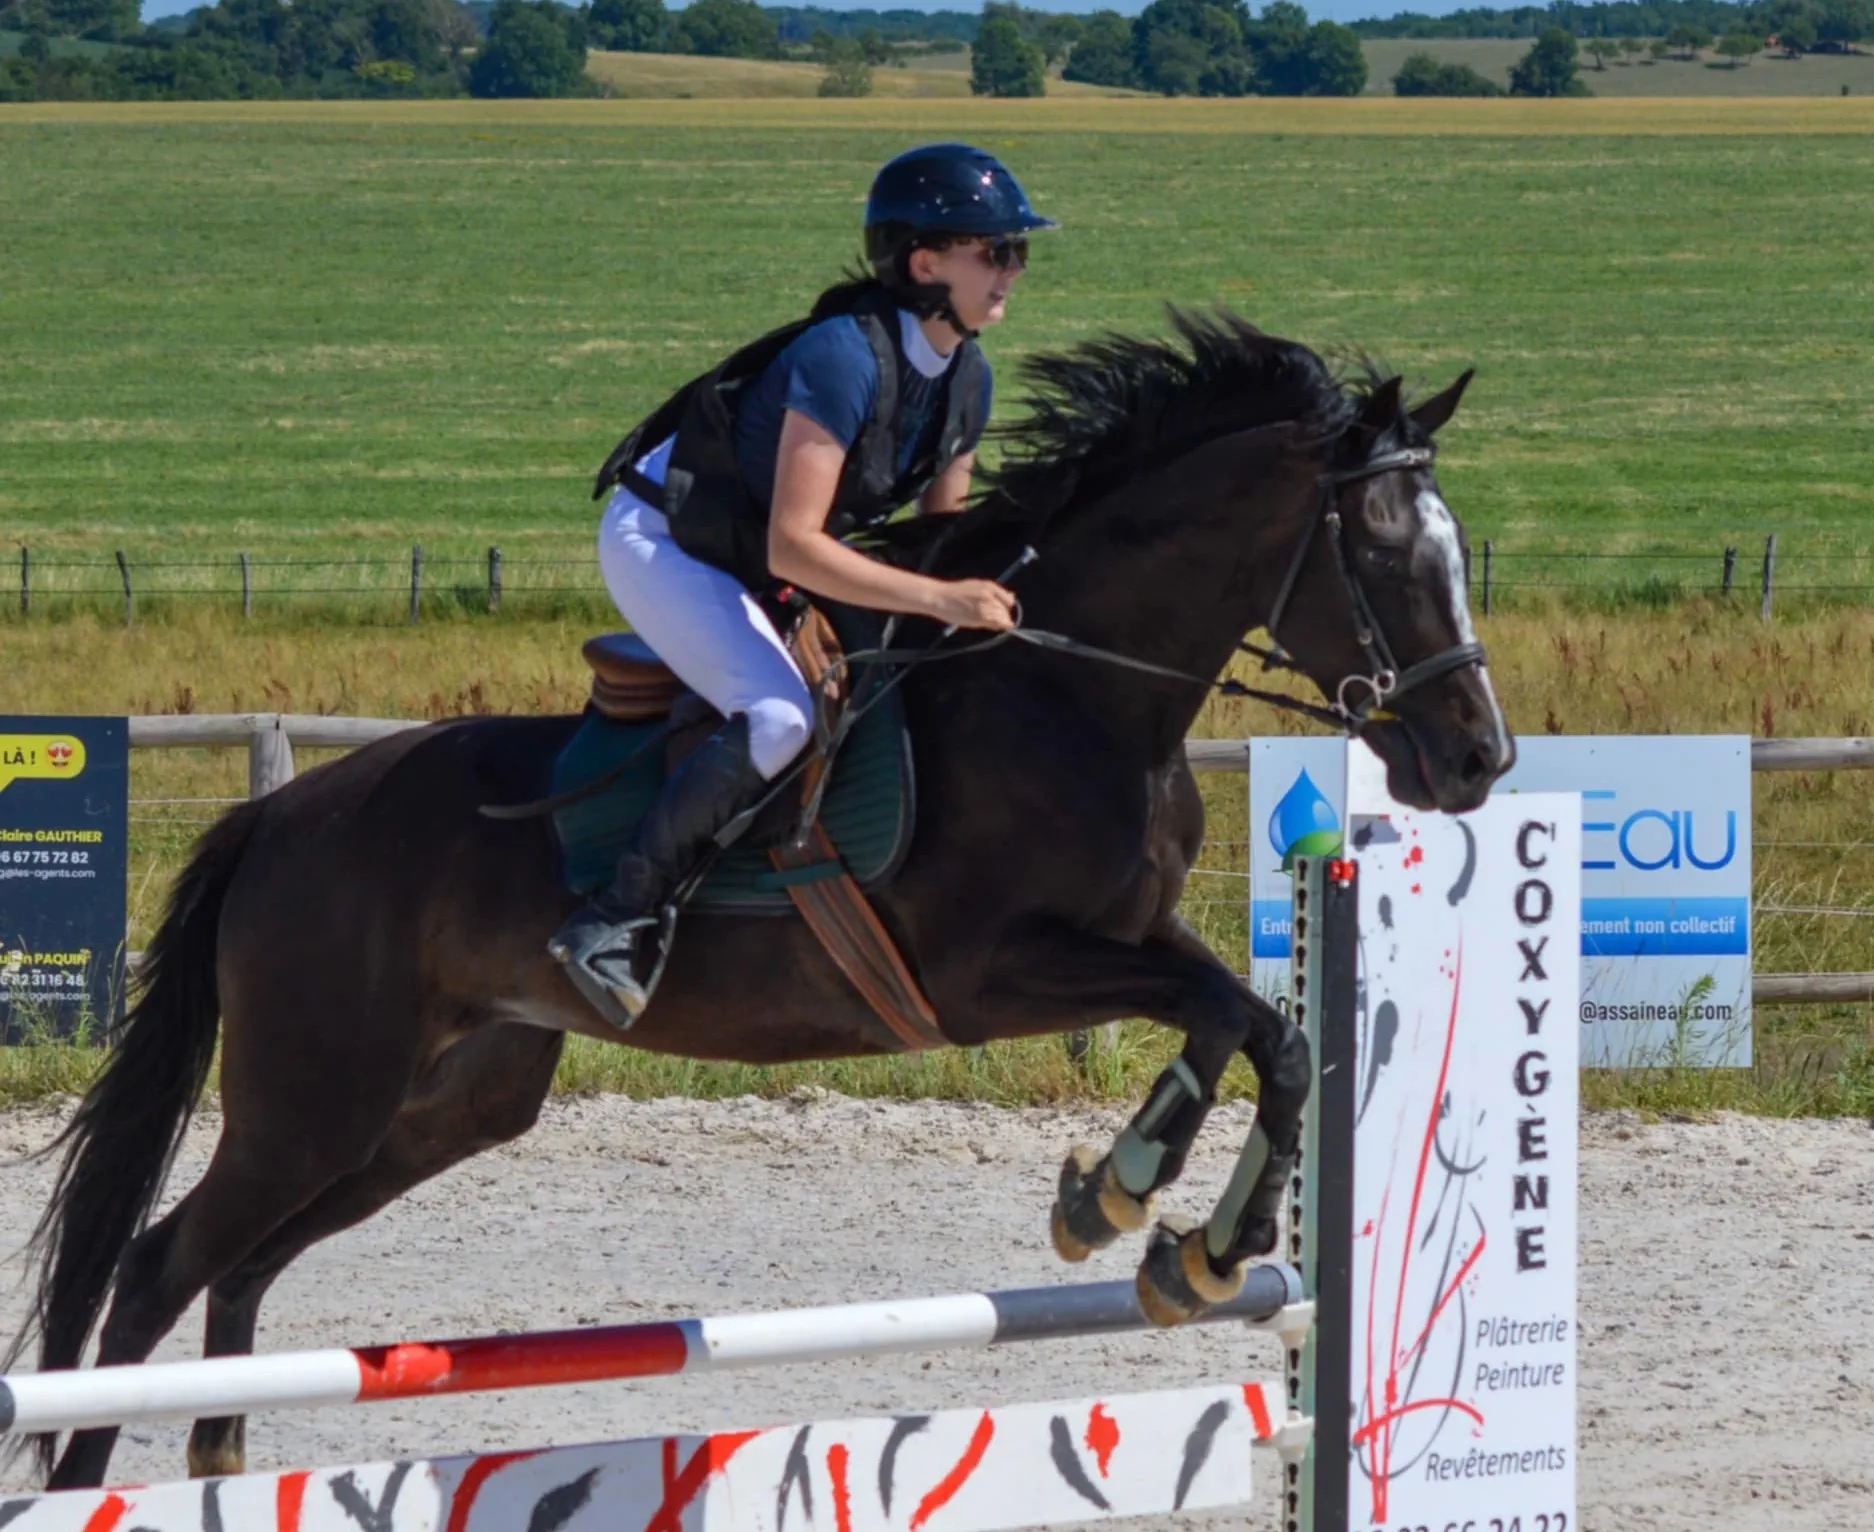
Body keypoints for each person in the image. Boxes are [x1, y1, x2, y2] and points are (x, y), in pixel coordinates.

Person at [550, 143, 1055, 1028]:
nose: (1013, 269)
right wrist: (942, 601)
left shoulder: (968, 377)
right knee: (780, 716)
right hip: (668, 538)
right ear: (925, 262)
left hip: (750, 544)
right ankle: (616, 917)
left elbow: (933, 541)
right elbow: (794, 547)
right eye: (995, 250)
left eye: (1017, 251)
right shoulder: (843, 357)